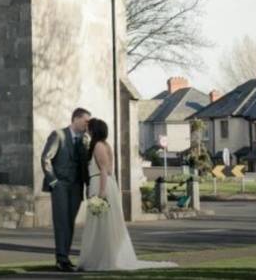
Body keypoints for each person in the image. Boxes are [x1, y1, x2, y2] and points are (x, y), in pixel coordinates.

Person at [77, 118, 177, 271]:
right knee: (101, 225)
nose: (87, 131)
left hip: (101, 184)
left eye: (89, 128)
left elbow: (104, 169)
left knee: (102, 225)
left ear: (94, 130)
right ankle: (100, 257)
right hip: (102, 183)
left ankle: (104, 259)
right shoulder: (104, 145)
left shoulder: (98, 145)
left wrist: (101, 192)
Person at [41, 107, 91, 272]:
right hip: (60, 185)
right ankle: (61, 259)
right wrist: (53, 182)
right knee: (61, 223)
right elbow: (46, 158)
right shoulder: (59, 135)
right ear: (76, 119)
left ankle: (65, 258)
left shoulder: (85, 139)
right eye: (85, 121)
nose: (87, 124)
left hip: (77, 187)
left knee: (70, 223)